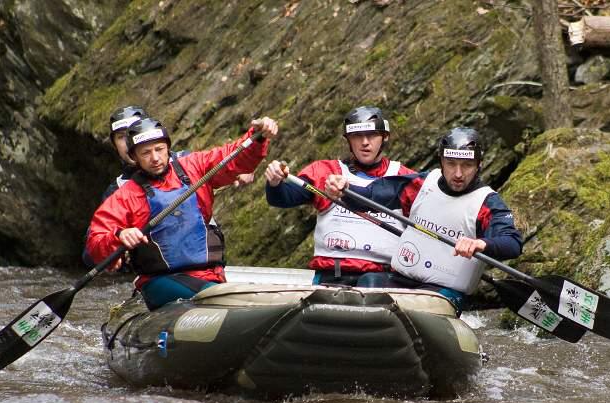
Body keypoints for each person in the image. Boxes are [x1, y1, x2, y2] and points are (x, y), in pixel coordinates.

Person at [85, 116, 278, 310]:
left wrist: (258, 136)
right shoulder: (126, 196)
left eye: (159, 149)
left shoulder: (194, 166)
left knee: (215, 293)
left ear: (168, 148)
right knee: (219, 297)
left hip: (209, 276)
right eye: (146, 153)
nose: (155, 158)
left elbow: (233, 158)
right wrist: (119, 235)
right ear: (134, 157)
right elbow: (96, 241)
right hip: (160, 282)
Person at [325, 127, 523, 313]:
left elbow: (512, 243)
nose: (458, 173)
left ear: (479, 165)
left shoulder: (487, 203)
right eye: (451, 164)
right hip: (401, 281)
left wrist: (481, 244)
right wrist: (345, 189)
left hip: (444, 293)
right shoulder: (421, 184)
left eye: (467, 165)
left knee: (421, 305)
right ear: (441, 161)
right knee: (369, 282)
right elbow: (368, 197)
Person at [83, 105, 256, 268]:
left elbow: (225, 164)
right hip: (159, 270)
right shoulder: (118, 190)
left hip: (206, 259)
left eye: (135, 130)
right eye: (122, 137)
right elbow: (90, 254)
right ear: (114, 145)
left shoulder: (187, 162)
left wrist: (237, 171)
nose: (130, 139)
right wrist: (119, 237)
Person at [264, 106, 415, 286]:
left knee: (370, 282)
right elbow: (283, 198)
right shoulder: (325, 171)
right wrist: (275, 182)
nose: (365, 142)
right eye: (357, 136)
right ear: (347, 140)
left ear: (385, 137)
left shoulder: (405, 178)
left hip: (383, 279)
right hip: (333, 277)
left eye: (372, 135)